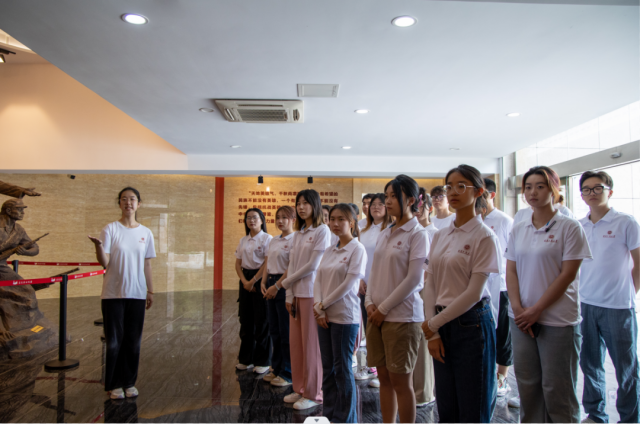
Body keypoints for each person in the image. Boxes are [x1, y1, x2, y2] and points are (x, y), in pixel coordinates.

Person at [506, 166, 591, 423]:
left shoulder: (569, 227)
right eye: (528, 187)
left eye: (540, 186)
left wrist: (536, 310)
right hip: (521, 319)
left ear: (553, 189)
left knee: (558, 389)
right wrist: (518, 308)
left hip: (557, 320)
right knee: (527, 386)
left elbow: (567, 275)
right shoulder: (519, 228)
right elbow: (511, 270)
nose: (533, 192)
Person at [422, 165, 501, 423]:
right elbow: (430, 282)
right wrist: (433, 331)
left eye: (461, 186)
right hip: (440, 323)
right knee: (447, 405)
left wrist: (433, 323)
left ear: (478, 191)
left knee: (472, 407)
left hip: (471, 324)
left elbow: (474, 293)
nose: (453, 192)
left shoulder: (484, 236)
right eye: (449, 187)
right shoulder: (441, 235)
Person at [366, 175, 429, 424]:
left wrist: (382, 308)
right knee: (384, 379)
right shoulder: (385, 232)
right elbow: (374, 272)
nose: (388, 201)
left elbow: (414, 279)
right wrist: (369, 302)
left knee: (401, 382)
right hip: (376, 315)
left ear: (411, 200)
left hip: (402, 317)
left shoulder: (418, 234)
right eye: (387, 196)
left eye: (394, 196)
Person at [577, 170, 640, 424]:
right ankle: (596, 414)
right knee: (590, 365)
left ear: (609, 192)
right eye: (586, 189)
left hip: (618, 307)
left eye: (598, 188)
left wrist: (628, 292)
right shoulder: (579, 226)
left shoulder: (625, 222)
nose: (592, 193)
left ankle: (630, 418)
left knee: (626, 368)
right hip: (585, 305)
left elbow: (639, 263)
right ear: (582, 195)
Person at [265, 189, 331, 411]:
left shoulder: (322, 230)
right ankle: (300, 388)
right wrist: (289, 294)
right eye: (298, 203)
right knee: (296, 345)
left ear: (315, 205)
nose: (301, 207)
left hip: (312, 294)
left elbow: (313, 265)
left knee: (311, 347)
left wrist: (283, 284)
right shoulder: (300, 233)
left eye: (305, 203)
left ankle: (314, 393)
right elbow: (292, 264)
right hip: (296, 294)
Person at [88, 187, 156, 400]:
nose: (128, 202)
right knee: (114, 341)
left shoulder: (146, 233)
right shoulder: (110, 229)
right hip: (113, 294)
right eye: (124, 199)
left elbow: (147, 265)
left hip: (137, 293)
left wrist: (150, 290)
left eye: (132, 199)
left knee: (133, 341)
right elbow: (105, 262)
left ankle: (129, 382)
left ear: (139, 204)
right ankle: (114, 384)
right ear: (119, 203)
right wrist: (99, 248)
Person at [314, 203, 367, 423]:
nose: (335, 223)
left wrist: (323, 305)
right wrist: (319, 308)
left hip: (345, 317)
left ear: (352, 222)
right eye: (332, 219)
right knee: (327, 369)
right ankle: (329, 415)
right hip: (323, 316)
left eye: (341, 219)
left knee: (342, 369)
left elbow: (349, 284)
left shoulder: (357, 249)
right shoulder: (329, 250)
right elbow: (318, 279)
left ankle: (345, 419)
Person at [482, 178, 515, 399]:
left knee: (502, 331)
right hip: (479, 287)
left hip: (501, 285)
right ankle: (486, 371)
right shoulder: (474, 218)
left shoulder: (504, 221)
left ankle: (502, 377)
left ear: (491, 195)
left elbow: (512, 256)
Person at [357, 193, 393, 388]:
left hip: (385, 285)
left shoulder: (391, 228)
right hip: (365, 285)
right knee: (370, 327)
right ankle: (374, 367)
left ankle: (385, 372)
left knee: (385, 327)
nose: (376, 207)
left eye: (381, 204)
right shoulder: (362, 228)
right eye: (373, 205)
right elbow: (359, 257)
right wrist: (360, 279)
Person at [261, 206, 296, 387]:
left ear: (293, 220)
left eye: (285, 217)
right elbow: (267, 261)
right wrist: (263, 281)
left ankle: (288, 372)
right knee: (274, 329)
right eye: (278, 217)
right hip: (271, 283)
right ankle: (276, 368)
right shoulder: (274, 239)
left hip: (283, 285)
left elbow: (291, 266)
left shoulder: (295, 239)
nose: (280, 221)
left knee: (285, 331)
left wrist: (277, 286)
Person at [234, 208, 272, 374]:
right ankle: (246, 359)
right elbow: (238, 264)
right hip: (245, 280)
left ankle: (263, 361)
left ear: (262, 220)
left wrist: (253, 281)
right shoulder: (243, 240)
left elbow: (267, 263)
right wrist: (245, 282)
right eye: (248, 218)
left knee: (261, 320)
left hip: (261, 279)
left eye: (255, 217)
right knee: (245, 319)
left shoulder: (267, 239)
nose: (251, 220)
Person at [412, 187, 437, 408]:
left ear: (430, 208)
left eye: (422, 207)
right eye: (415, 207)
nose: (418, 211)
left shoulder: (434, 233)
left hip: (426, 289)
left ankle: (424, 391)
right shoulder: (410, 231)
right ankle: (412, 389)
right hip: (409, 289)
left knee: (423, 340)